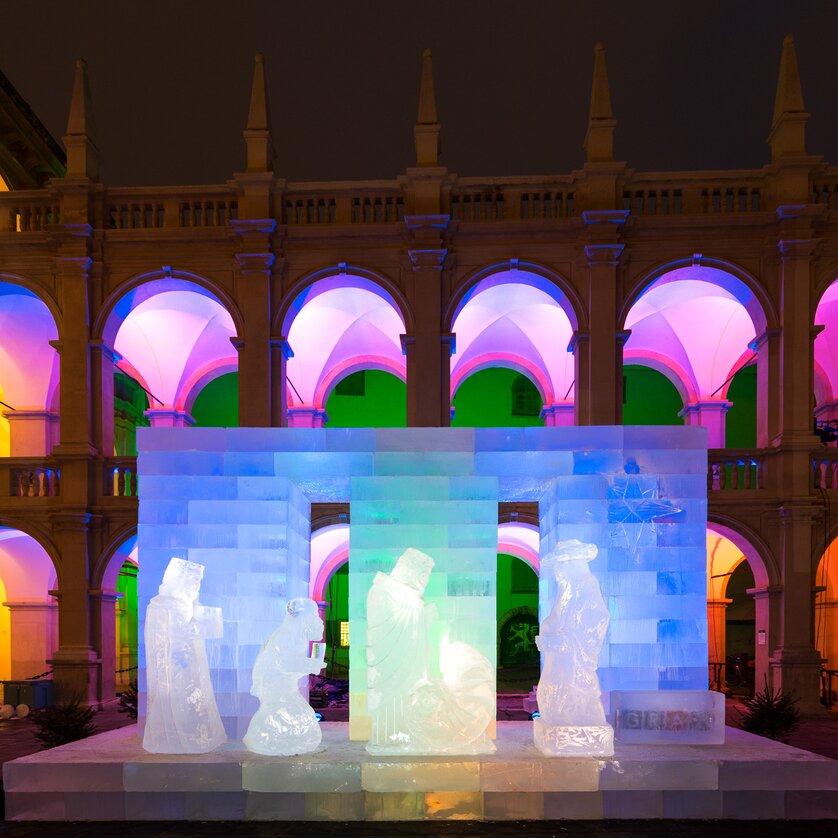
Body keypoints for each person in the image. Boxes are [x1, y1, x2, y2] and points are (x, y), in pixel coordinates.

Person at [366, 547, 494, 754]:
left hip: (413, 667)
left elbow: (414, 631)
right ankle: (395, 737)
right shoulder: (384, 591)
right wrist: (422, 618)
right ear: (409, 569)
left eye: (427, 576)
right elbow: (391, 630)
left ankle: (442, 732)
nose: (424, 580)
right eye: (423, 574)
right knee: (401, 705)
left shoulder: (405, 595)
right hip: (392, 669)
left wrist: (422, 618)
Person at [143, 558, 226, 753]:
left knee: (183, 703)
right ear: (181, 581)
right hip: (179, 666)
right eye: (193, 583)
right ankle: (186, 739)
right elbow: (183, 632)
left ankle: (183, 737)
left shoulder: (162, 604)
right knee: (182, 702)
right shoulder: (171, 605)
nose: (195, 588)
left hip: (180, 662)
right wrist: (209, 622)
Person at [243, 597, 326, 756]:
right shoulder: (285, 635)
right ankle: (262, 740)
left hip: (286, 690)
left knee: (304, 723)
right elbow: (284, 664)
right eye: (314, 615)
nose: (319, 621)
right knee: (290, 719)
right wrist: (310, 665)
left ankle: (269, 740)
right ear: (303, 618)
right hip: (277, 691)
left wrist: (311, 665)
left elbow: (290, 666)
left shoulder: (296, 637)